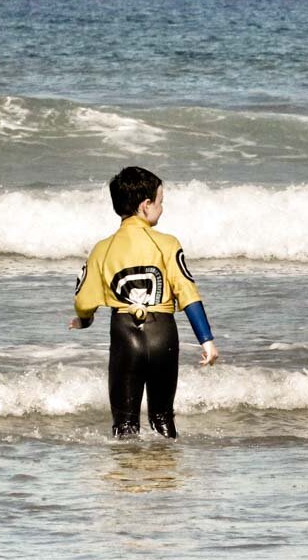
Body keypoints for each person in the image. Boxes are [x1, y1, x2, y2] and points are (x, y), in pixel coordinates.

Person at [70, 165, 219, 438]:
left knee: (124, 424)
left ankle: (127, 477)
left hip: (124, 333)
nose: (162, 209)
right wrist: (206, 340)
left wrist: (86, 320)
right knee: (163, 417)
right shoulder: (168, 243)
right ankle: (164, 474)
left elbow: (84, 299)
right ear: (146, 205)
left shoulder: (102, 248)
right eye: (160, 202)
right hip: (163, 333)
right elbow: (187, 293)